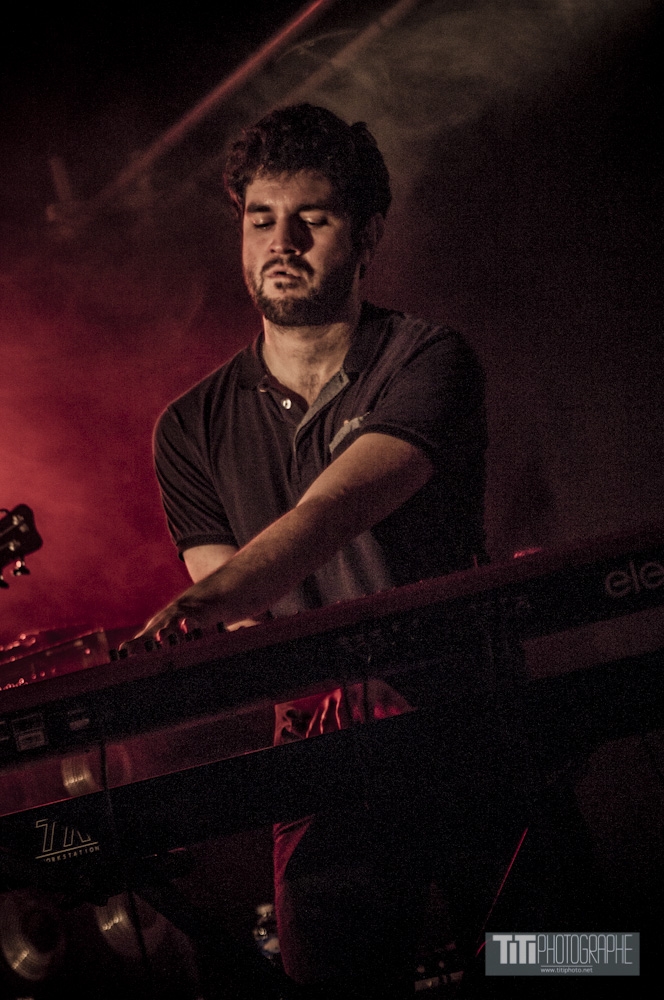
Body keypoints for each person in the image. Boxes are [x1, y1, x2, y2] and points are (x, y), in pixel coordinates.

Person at [134, 103, 491, 997]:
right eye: (261, 220)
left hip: (476, 735)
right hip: (320, 762)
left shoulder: (428, 358)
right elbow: (239, 607)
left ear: (367, 235)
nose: (281, 242)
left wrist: (191, 612)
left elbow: (334, 511)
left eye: (313, 218)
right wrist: (215, 615)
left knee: (567, 960)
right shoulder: (188, 428)